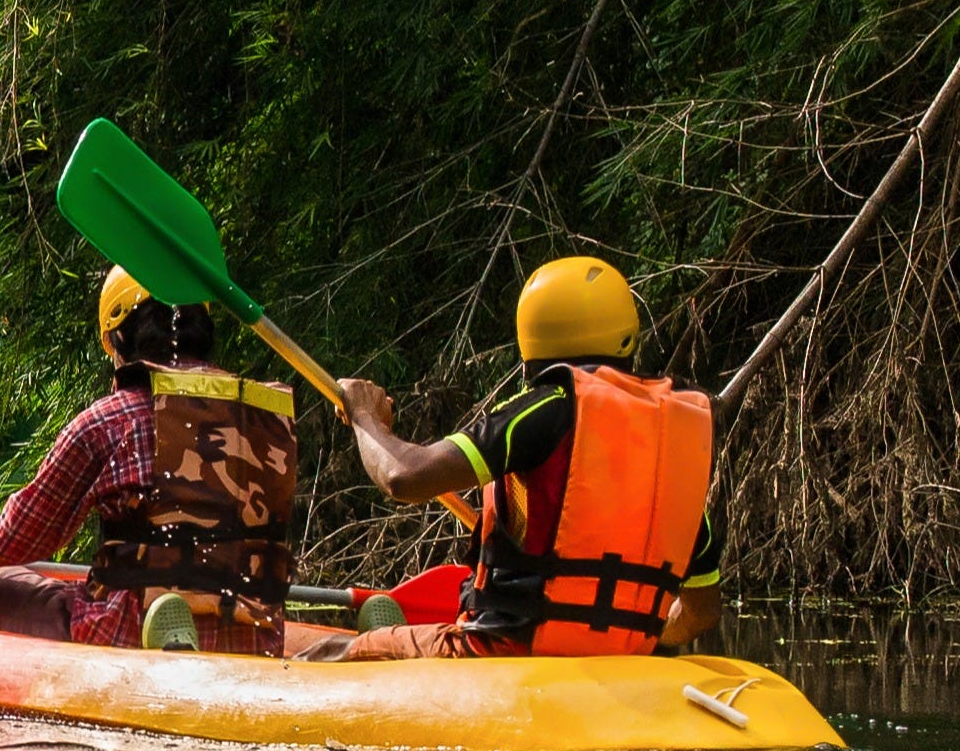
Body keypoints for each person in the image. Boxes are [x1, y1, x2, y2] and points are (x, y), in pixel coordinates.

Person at [308, 255, 726, 661]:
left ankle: (371, 641)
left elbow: (403, 475)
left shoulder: (548, 410)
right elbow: (701, 612)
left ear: (532, 344)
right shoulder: (671, 468)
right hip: (622, 665)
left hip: (503, 652)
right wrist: (634, 643)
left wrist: (364, 415)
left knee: (334, 652)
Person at [0, 270, 307, 653]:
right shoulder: (261, 417)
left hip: (128, 630)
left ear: (119, 341)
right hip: (257, 636)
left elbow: (20, 538)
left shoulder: (111, 419)